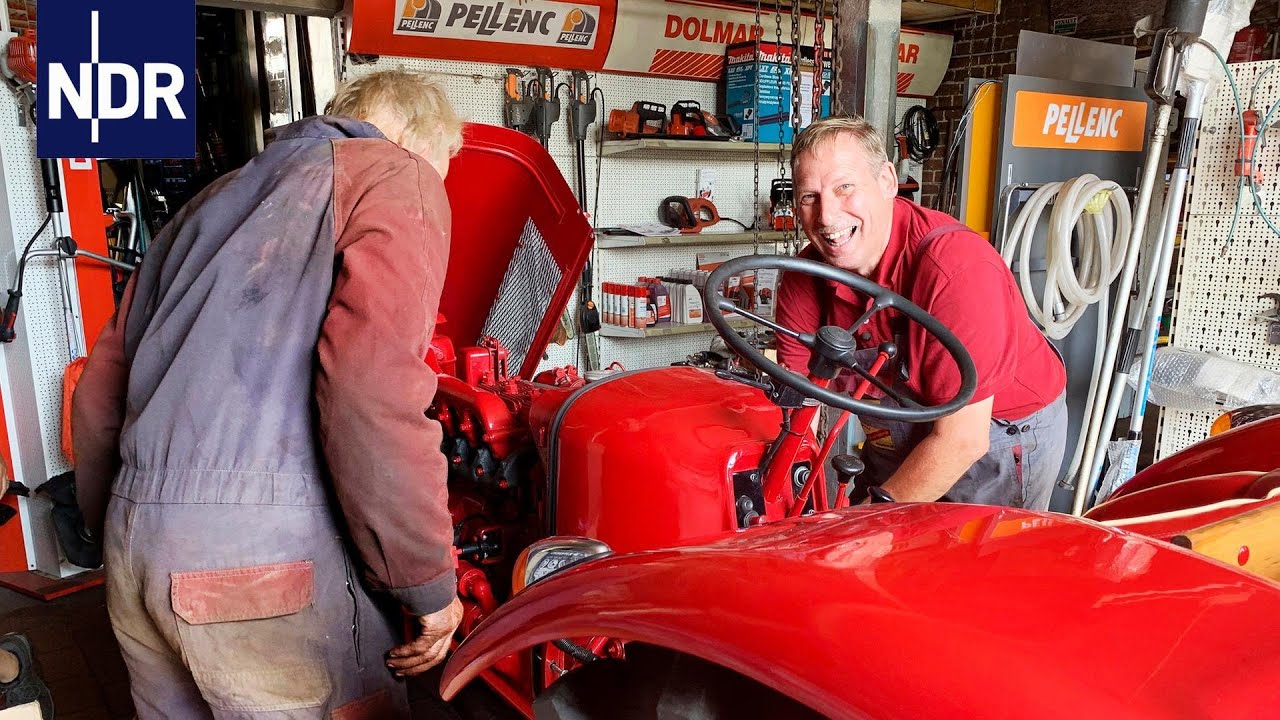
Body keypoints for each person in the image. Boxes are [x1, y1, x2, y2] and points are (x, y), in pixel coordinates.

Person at [71, 69, 464, 718]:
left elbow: (99, 389)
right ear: (417, 139)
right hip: (257, 568)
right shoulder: (393, 173)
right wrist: (426, 582)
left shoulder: (209, 201)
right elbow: (371, 392)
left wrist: (116, 523)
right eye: (444, 164)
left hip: (134, 550)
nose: (440, 182)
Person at [776, 116, 1068, 510]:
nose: (827, 217)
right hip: (898, 427)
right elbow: (800, 403)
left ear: (887, 182)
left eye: (845, 188)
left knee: (976, 563)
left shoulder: (956, 269)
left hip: (997, 431)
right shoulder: (804, 277)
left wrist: (863, 524)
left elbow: (963, 439)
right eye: (809, 197)